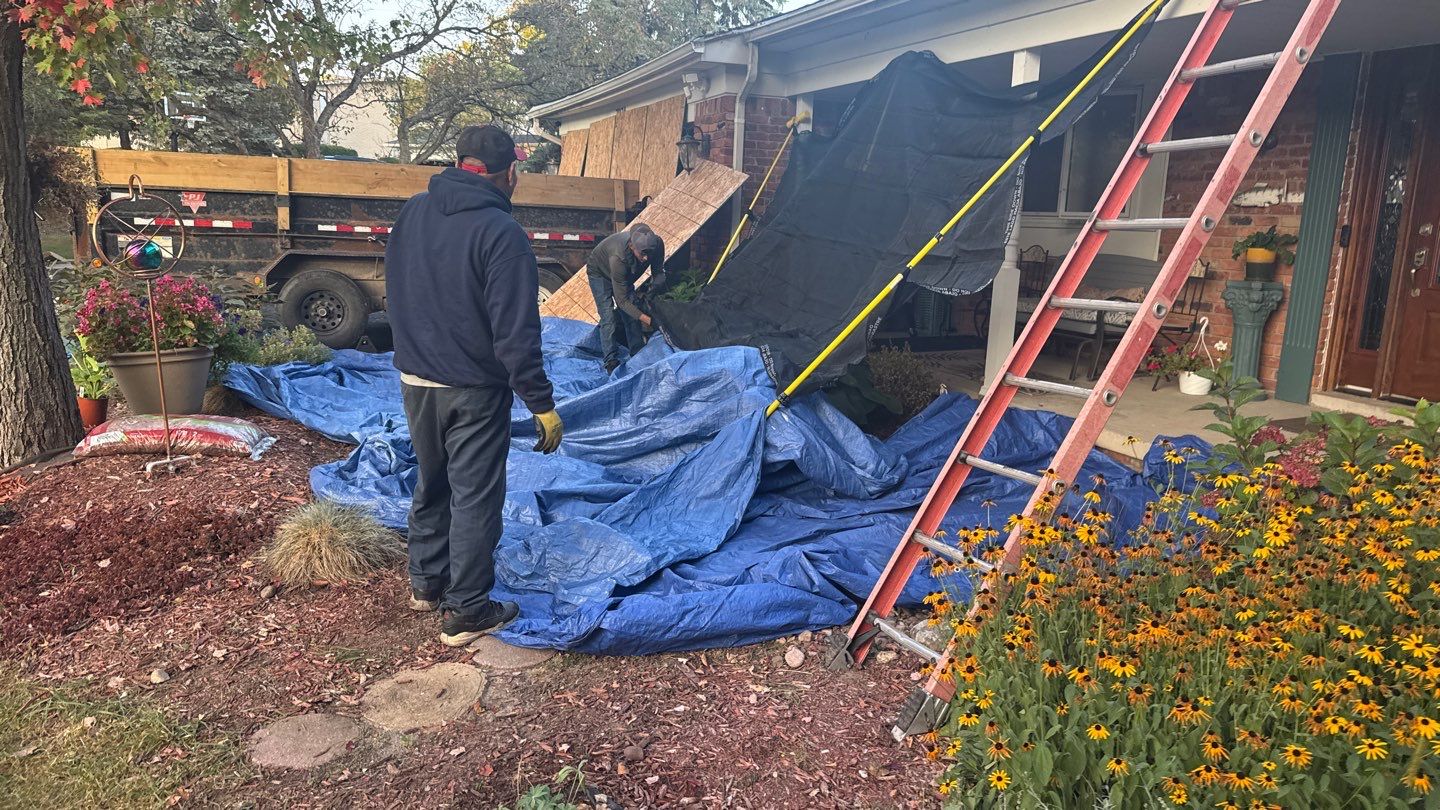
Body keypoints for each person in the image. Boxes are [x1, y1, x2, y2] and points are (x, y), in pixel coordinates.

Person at [385, 125, 565, 647]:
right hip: (473, 389)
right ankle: (467, 609)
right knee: (475, 498)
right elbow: (516, 332)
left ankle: (426, 582)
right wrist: (541, 402)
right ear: (510, 172)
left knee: (432, 479)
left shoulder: (413, 212)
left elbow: (397, 286)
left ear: (461, 164)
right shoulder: (501, 233)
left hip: (415, 379)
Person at [586, 224, 665, 373]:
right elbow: (622, 301)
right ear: (631, 246)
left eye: (649, 253)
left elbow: (658, 272)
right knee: (608, 317)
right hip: (600, 273)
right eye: (643, 254)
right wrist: (648, 320)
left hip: (623, 276)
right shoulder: (618, 258)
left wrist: (651, 293)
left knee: (632, 312)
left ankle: (638, 353)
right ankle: (610, 361)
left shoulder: (657, 244)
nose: (646, 258)